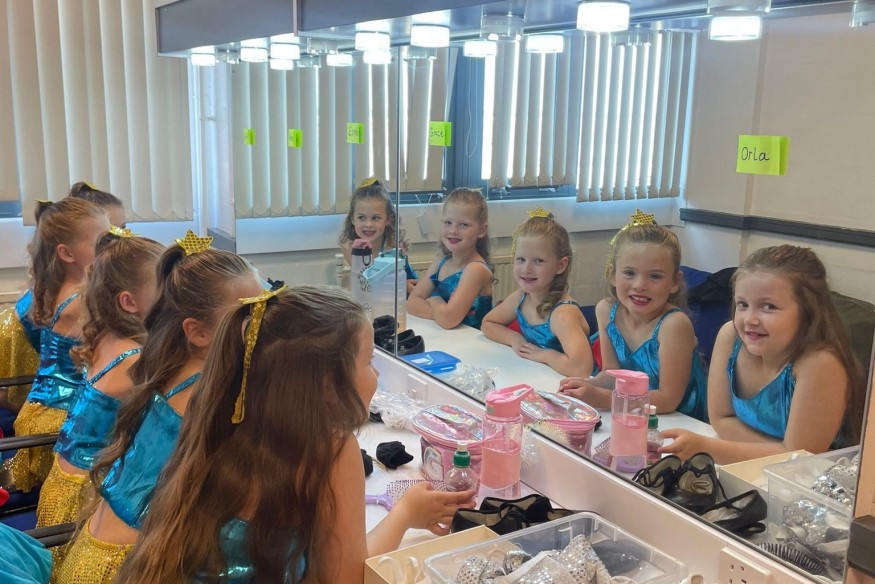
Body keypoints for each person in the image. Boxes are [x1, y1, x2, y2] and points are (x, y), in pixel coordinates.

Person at [116, 285, 475, 583]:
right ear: (328, 385)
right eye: (368, 361)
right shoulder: (330, 450)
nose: (377, 375)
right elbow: (346, 578)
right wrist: (404, 514)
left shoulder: (223, 419)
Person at [54, 232, 263, 584]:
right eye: (249, 315)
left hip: (96, 557)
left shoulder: (168, 369)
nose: (263, 324)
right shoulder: (206, 394)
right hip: (123, 570)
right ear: (198, 332)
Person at [660, 245, 865, 464]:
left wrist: (707, 448)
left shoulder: (820, 363)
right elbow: (720, 419)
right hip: (750, 469)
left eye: (768, 306)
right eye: (742, 304)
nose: (750, 319)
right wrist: (781, 449)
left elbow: (801, 458)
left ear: (808, 311)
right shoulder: (730, 336)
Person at [36, 230, 164, 546]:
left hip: (63, 488)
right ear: (129, 302)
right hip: (82, 501)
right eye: (165, 291)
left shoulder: (106, 335)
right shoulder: (134, 359)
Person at [559, 210, 708, 422]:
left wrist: (601, 397)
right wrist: (585, 386)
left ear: (675, 282)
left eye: (655, 276)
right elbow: (612, 373)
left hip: (679, 420)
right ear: (612, 274)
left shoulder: (674, 325)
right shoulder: (606, 311)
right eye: (629, 273)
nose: (640, 285)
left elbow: (668, 399)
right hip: (631, 413)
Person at [10, 199, 110, 492]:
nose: (109, 250)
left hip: (41, 410)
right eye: (101, 242)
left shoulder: (56, 287)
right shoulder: (82, 300)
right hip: (61, 420)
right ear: (66, 253)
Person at [482, 209, 593, 377]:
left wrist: (545, 355)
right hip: (534, 375)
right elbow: (488, 323)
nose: (526, 269)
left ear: (560, 266)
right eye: (521, 259)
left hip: (564, 384)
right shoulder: (521, 297)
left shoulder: (563, 315)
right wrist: (515, 339)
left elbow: (581, 369)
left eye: (538, 261)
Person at [408, 188, 493, 329]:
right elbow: (412, 304)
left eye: (464, 225)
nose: (453, 231)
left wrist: (434, 299)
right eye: (448, 222)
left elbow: (448, 320)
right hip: (444, 336)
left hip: (468, 341)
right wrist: (442, 313)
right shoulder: (441, 262)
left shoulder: (476, 269)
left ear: (482, 230)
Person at [338, 177, 417, 294]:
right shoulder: (349, 248)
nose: (368, 224)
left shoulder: (392, 246)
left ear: (388, 219)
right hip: (370, 292)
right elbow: (362, 281)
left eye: (375, 218)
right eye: (361, 217)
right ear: (353, 219)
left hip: (398, 295)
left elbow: (399, 284)